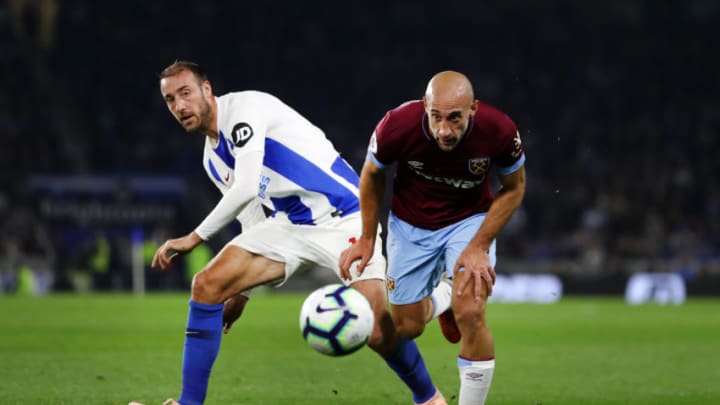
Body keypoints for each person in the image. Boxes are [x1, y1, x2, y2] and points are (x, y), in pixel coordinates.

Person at [130, 60, 446, 405]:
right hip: (287, 225)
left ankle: (430, 393)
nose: (179, 106)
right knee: (207, 285)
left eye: (185, 93)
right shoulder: (212, 159)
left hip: (344, 216)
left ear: (207, 89)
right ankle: (189, 402)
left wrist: (194, 237)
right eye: (170, 100)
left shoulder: (244, 109)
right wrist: (240, 293)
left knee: (377, 329)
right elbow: (250, 220)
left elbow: (248, 186)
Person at [339, 70, 526, 405]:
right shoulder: (396, 126)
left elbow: (514, 188)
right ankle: (443, 297)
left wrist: (479, 246)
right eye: (436, 117)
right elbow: (371, 175)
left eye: (455, 119)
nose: (444, 130)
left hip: (469, 222)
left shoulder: (499, 130)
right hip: (410, 225)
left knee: (471, 312)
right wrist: (367, 237)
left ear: (474, 109)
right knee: (407, 328)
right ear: (425, 105)